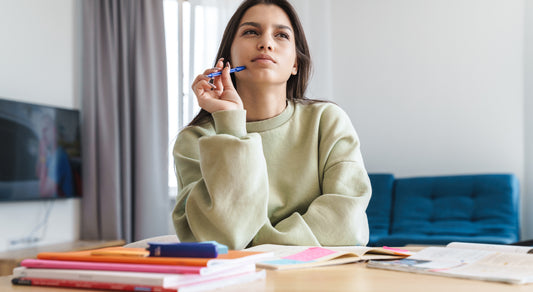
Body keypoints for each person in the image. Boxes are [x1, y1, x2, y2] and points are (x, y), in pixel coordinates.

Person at [172, 0, 371, 250]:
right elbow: (218, 239)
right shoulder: (193, 141)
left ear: (295, 64)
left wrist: (256, 244)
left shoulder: (328, 121)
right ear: (228, 57)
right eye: (251, 32)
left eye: (281, 35)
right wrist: (231, 125)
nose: (266, 43)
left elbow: (346, 226)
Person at [35, 114, 74, 197]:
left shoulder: (59, 157)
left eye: (46, 129)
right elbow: (38, 173)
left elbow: (44, 192)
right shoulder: (49, 155)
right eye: (42, 131)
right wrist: (41, 155)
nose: (43, 134)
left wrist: (42, 153)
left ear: (54, 131)